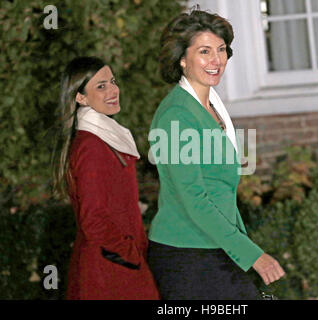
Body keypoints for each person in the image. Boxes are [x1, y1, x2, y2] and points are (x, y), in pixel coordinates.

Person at [147, 10, 285, 300]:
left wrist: (240, 243)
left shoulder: (211, 106)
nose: (216, 60)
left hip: (215, 247)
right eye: (204, 51)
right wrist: (253, 255)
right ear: (182, 59)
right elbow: (194, 199)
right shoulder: (177, 115)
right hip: (187, 255)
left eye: (221, 50)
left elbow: (220, 188)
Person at [53, 56, 160, 300]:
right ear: (80, 97)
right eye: (101, 86)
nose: (113, 90)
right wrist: (131, 254)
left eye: (112, 82)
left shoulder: (105, 138)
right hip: (110, 272)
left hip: (119, 266)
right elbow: (94, 221)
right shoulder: (91, 145)